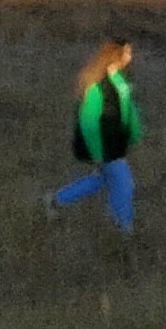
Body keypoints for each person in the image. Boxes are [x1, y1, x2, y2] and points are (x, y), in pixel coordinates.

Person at [45, 39, 141, 233]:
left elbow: (128, 110)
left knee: (101, 179)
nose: (130, 57)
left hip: (115, 143)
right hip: (105, 147)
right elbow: (88, 121)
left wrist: (134, 132)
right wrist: (96, 151)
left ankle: (55, 200)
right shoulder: (98, 86)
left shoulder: (120, 82)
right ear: (117, 55)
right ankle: (123, 228)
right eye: (127, 52)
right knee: (124, 184)